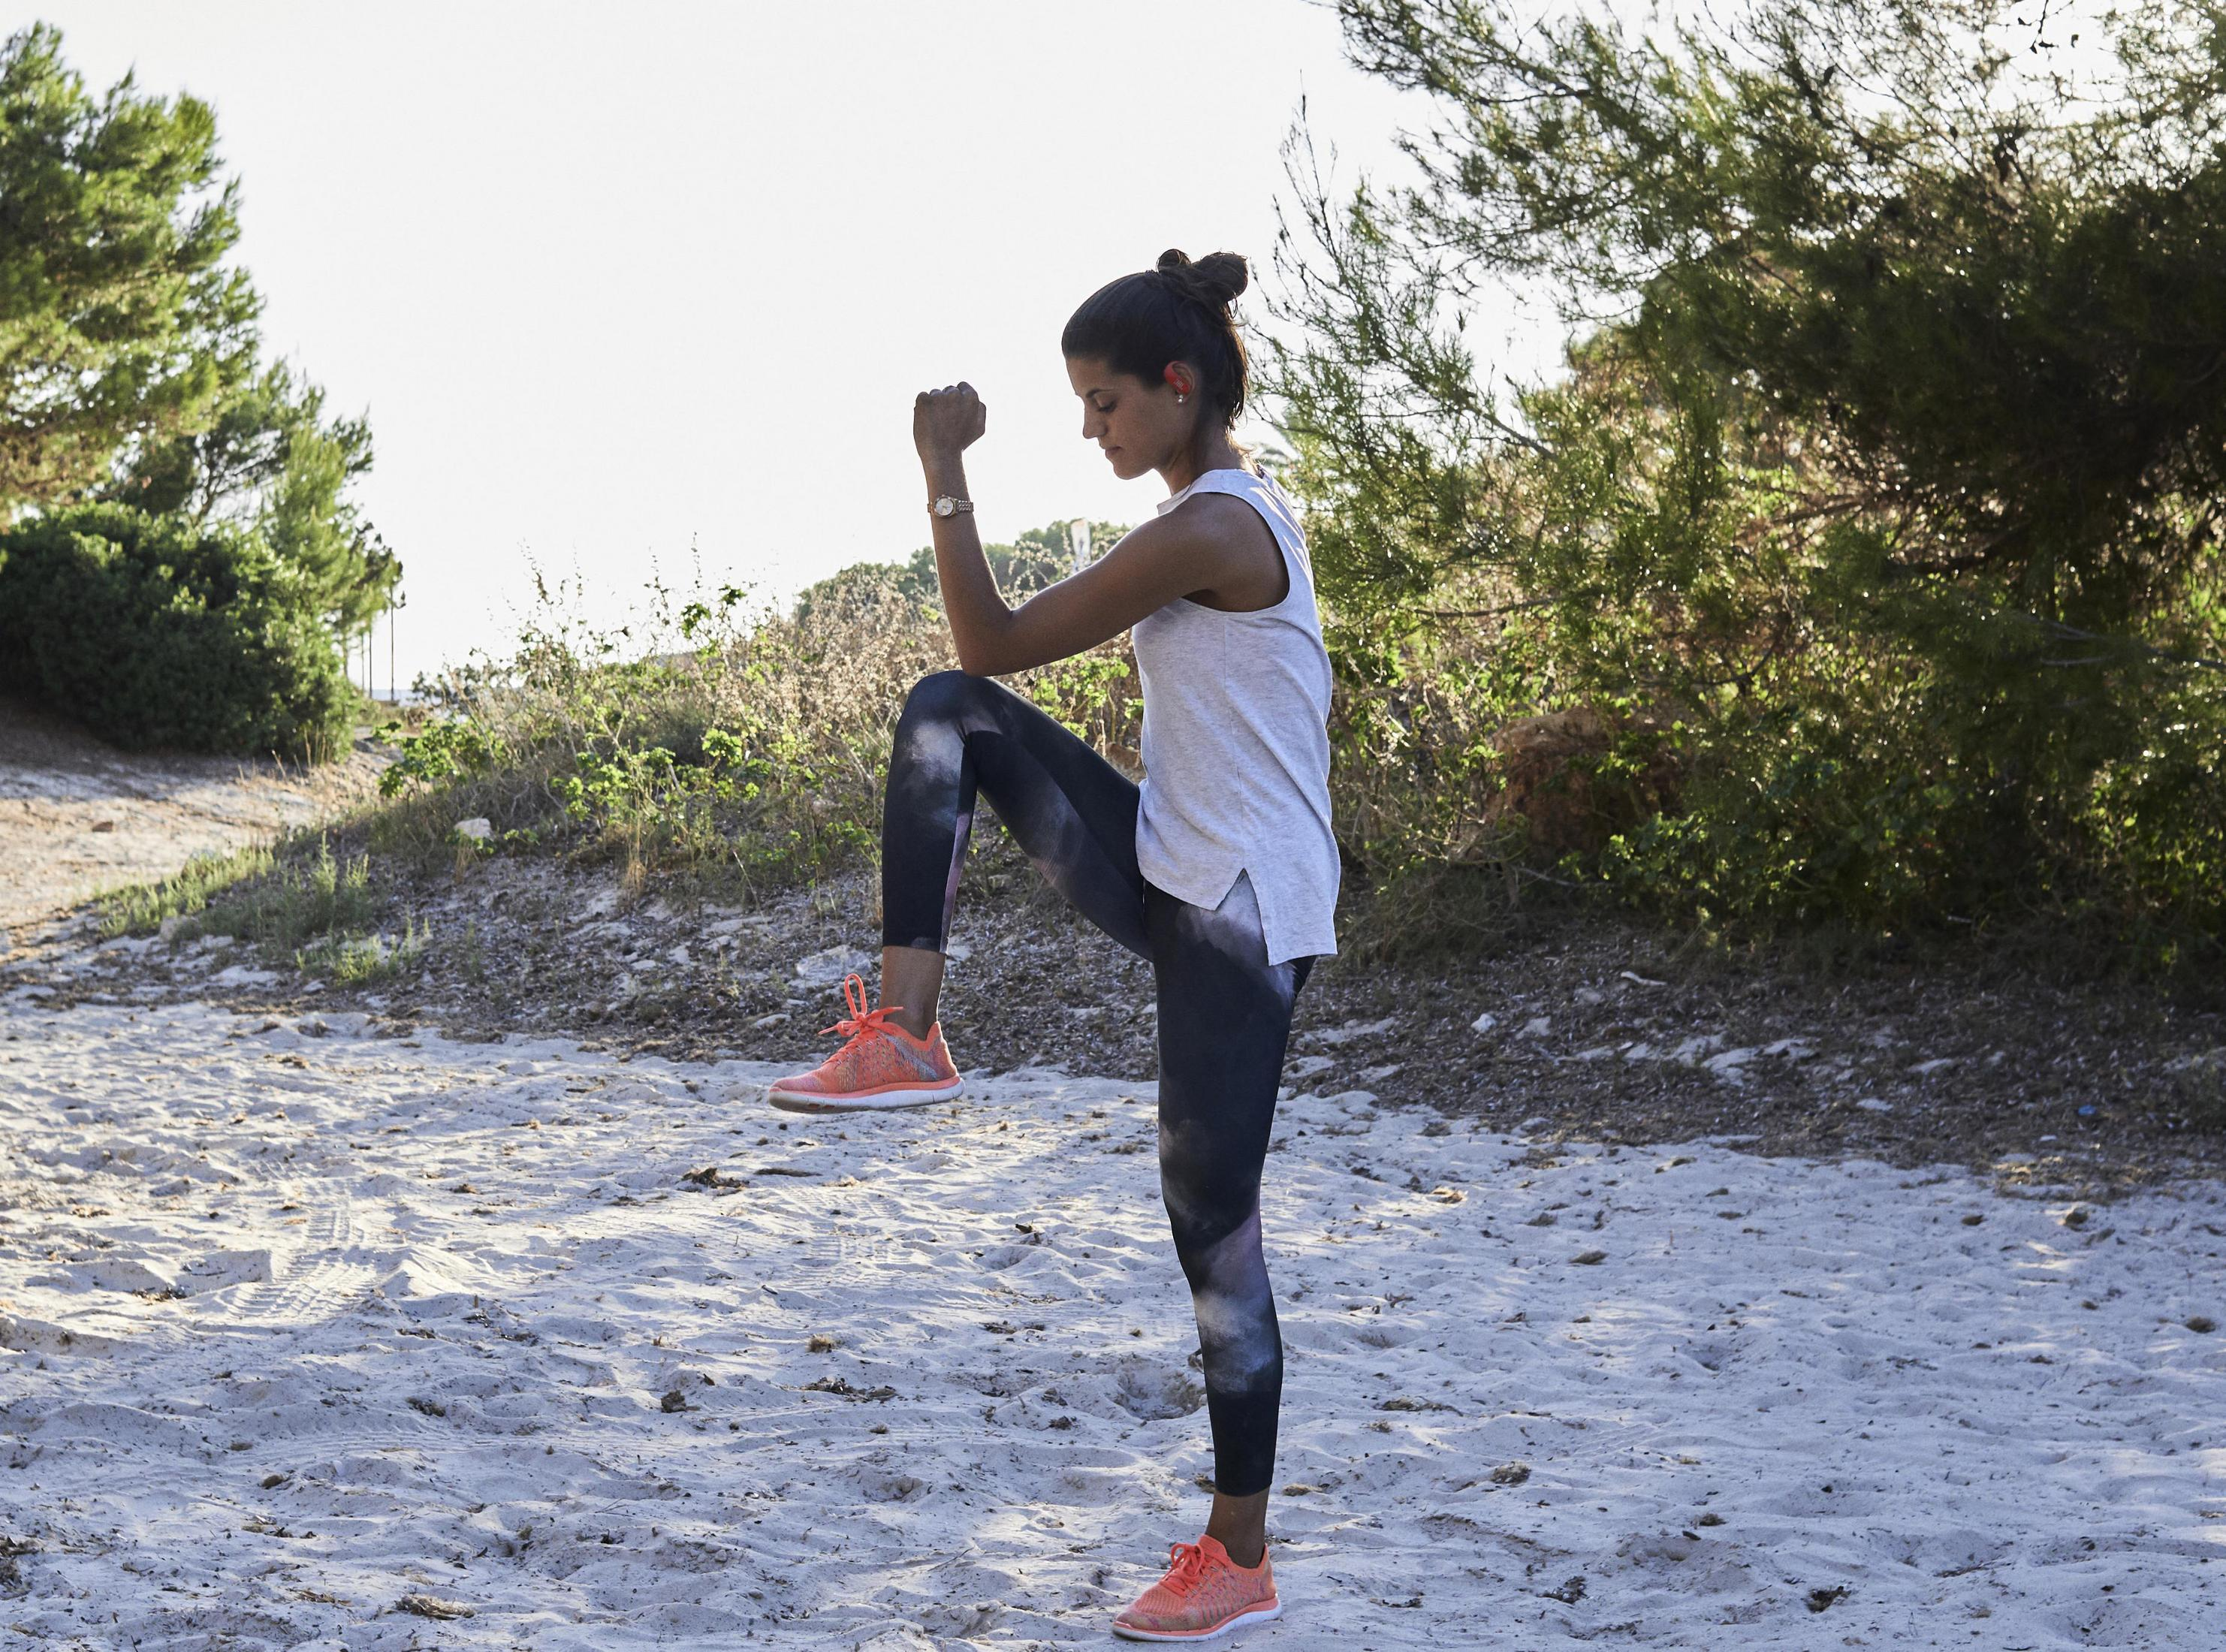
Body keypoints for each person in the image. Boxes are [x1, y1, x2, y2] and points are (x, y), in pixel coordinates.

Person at [767, 248, 1338, 1642]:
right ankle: (907, 1032)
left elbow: (999, 633)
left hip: (1246, 908)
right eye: (1082, 405)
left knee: (1212, 1225)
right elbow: (979, 668)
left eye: (1104, 403)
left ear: (1178, 385)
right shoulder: (1197, 515)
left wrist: (942, 468)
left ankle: (1240, 1556)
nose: (1091, 429)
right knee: (946, 716)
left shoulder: (1219, 525)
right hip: (1172, 865)